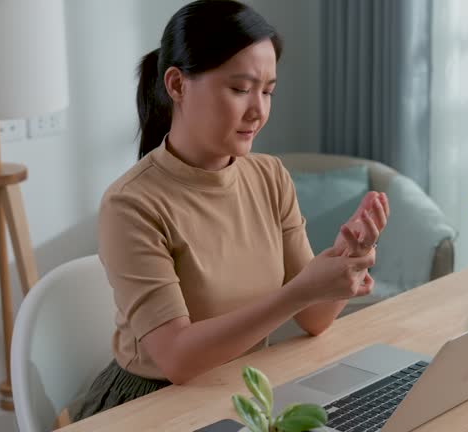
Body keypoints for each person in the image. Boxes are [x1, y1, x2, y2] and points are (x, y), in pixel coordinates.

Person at [57, 0, 390, 426]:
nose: (259, 110)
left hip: (240, 390)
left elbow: (313, 318)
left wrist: (345, 264)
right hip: (151, 404)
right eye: (240, 89)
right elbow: (177, 357)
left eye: (267, 90)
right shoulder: (130, 204)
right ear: (176, 84)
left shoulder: (269, 176)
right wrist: (302, 290)